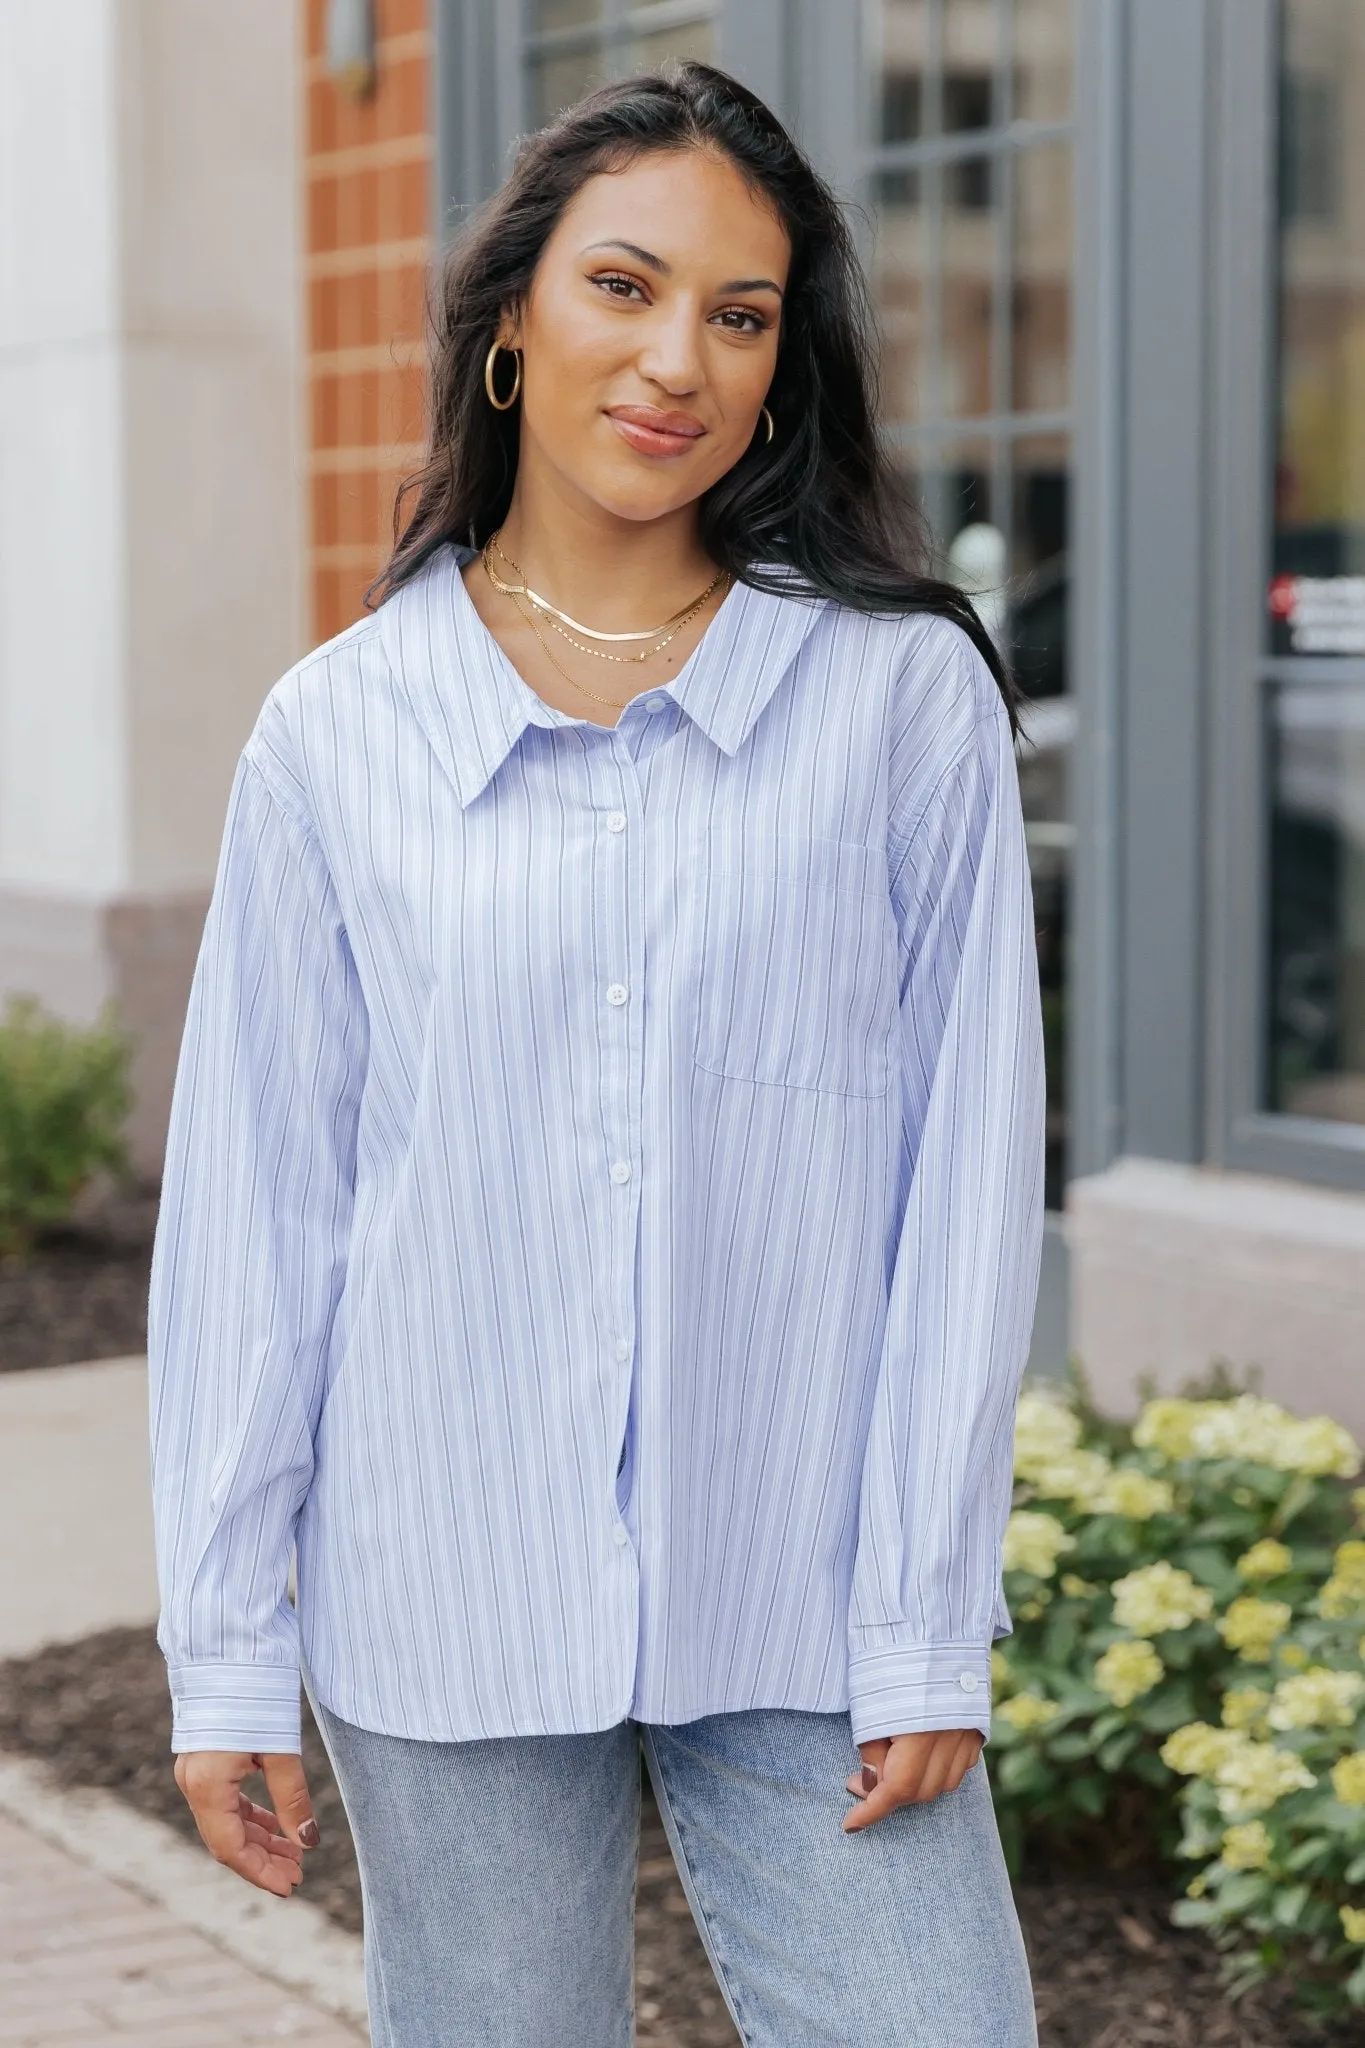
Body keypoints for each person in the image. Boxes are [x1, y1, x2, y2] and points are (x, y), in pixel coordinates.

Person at [148, 61, 1046, 2048]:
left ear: (781, 369)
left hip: (806, 1594)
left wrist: (920, 1612)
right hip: (437, 1583)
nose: (678, 360)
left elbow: (963, 1194)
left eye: (739, 316)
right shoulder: (335, 731)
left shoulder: (901, 706)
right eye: (625, 288)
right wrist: (226, 1649)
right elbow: (257, 1220)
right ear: (511, 325)